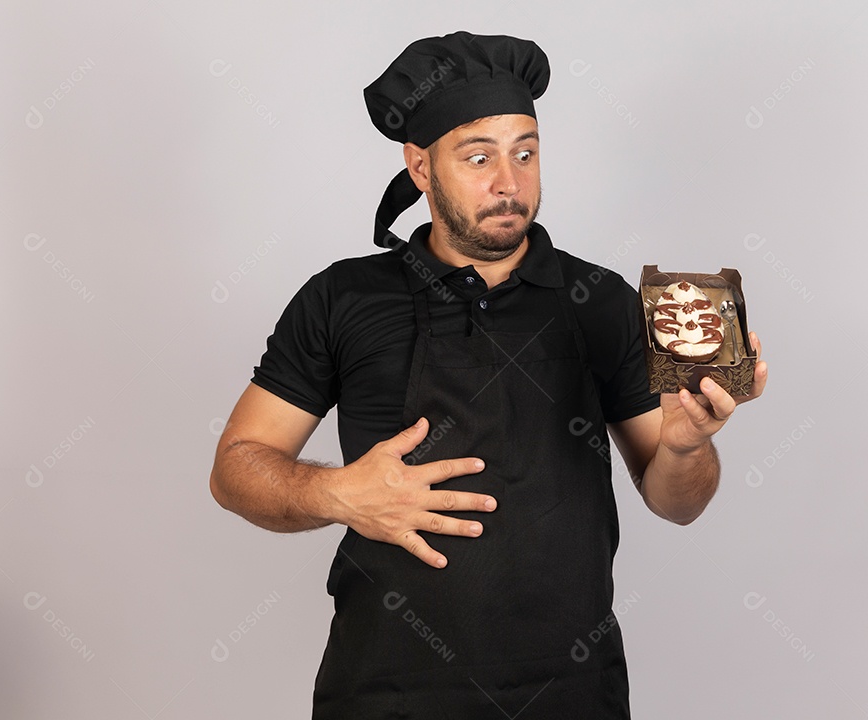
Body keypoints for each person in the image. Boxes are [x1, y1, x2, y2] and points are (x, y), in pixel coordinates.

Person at [209, 30, 766, 719]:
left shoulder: (604, 300)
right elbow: (236, 466)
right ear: (420, 167)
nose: (510, 182)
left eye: (525, 153)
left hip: (572, 696)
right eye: (479, 158)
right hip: (383, 696)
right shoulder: (341, 298)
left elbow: (679, 502)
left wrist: (686, 446)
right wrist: (337, 493)